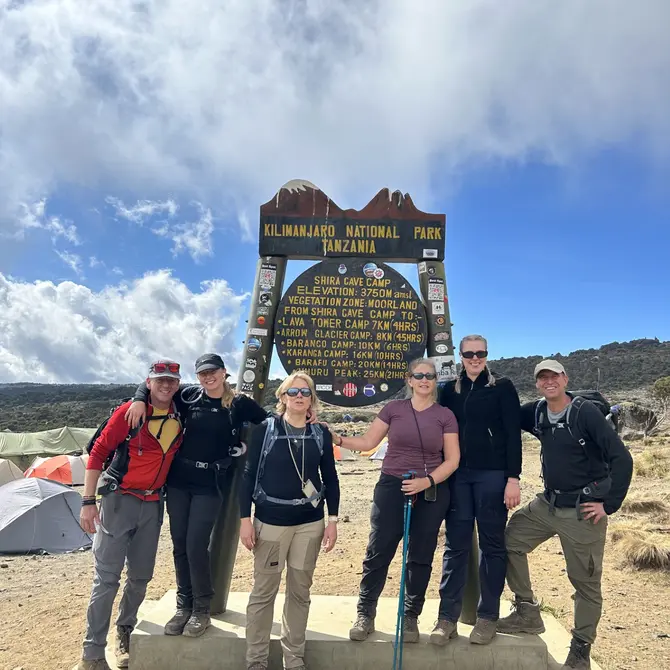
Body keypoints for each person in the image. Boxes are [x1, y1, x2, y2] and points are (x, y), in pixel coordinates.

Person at [497, 360, 633, 670]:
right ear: (537, 384)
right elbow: (505, 415)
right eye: (543, 378)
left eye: (554, 376)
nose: (549, 382)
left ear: (565, 379)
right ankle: (527, 612)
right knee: (510, 541)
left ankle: (580, 651)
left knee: (585, 583)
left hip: (583, 511)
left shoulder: (585, 413)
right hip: (548, 504)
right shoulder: (537, 411)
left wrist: (608, 505)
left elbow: (622, 459)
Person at [125, 353, 269, 638]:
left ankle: (201, 609)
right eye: (203, 373)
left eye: (213, 371)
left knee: (195, 545)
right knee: (179, 545)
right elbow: (153, 387)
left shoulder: (238, 403)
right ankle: (184, 606)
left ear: (224, 372)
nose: (208, 377)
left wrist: (305, 418)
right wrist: (139, 399)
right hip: (179, 481)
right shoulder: (188, 396)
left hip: (210, 484)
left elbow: (269, 422)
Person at [333, 358, 460, 643]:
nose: (424, 380)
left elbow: (452, 459)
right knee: (379, 551)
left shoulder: (445, 415)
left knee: (420, 556)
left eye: (429, 376)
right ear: (409, 380)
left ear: (435, 381)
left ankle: (410, 617)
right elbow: (368, 443)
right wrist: (338, 440)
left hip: (430, 489)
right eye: (419, 375)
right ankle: (365, 613)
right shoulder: (393, 409)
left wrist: (426, 481)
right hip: (392, 485)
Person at [77, 359, 184, 670]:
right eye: (159, 379)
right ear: (149, 382)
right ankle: (92, 654)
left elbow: (212, 393)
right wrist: (88, 501)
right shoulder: (130, 413)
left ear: (178, 384)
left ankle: (124, 632)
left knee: (140, 577)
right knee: (107, 579)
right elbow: (97, 453)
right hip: (118, 501)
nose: (166, 385)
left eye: (172, 380)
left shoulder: (181, 410)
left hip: (153, 503)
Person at [239, 371, 340, 670]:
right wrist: (245, 519)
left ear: (312, 399)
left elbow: (330, 478)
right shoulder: (265, 430)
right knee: (263, 592)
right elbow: (248, 476)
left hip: (310, 523)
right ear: (282, 397)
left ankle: (293, 660)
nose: (299, 397)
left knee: (300, 592)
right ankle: (256, 661)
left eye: (305, 392)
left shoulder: (320, 434)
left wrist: (332, 520)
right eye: (293, 392)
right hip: (271, 522)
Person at [434, 334, 522, 645]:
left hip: (492, 475)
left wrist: (513, 478)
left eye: (480, 353)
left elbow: (513, 434)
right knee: (455, 545)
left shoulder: (502, 387)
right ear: (460, 356)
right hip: (458, 476)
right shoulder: (449, 390)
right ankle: (447, 618)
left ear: (487, 355)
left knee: (492, 546)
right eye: (469, 354)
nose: (475, 359)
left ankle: (487, 617)